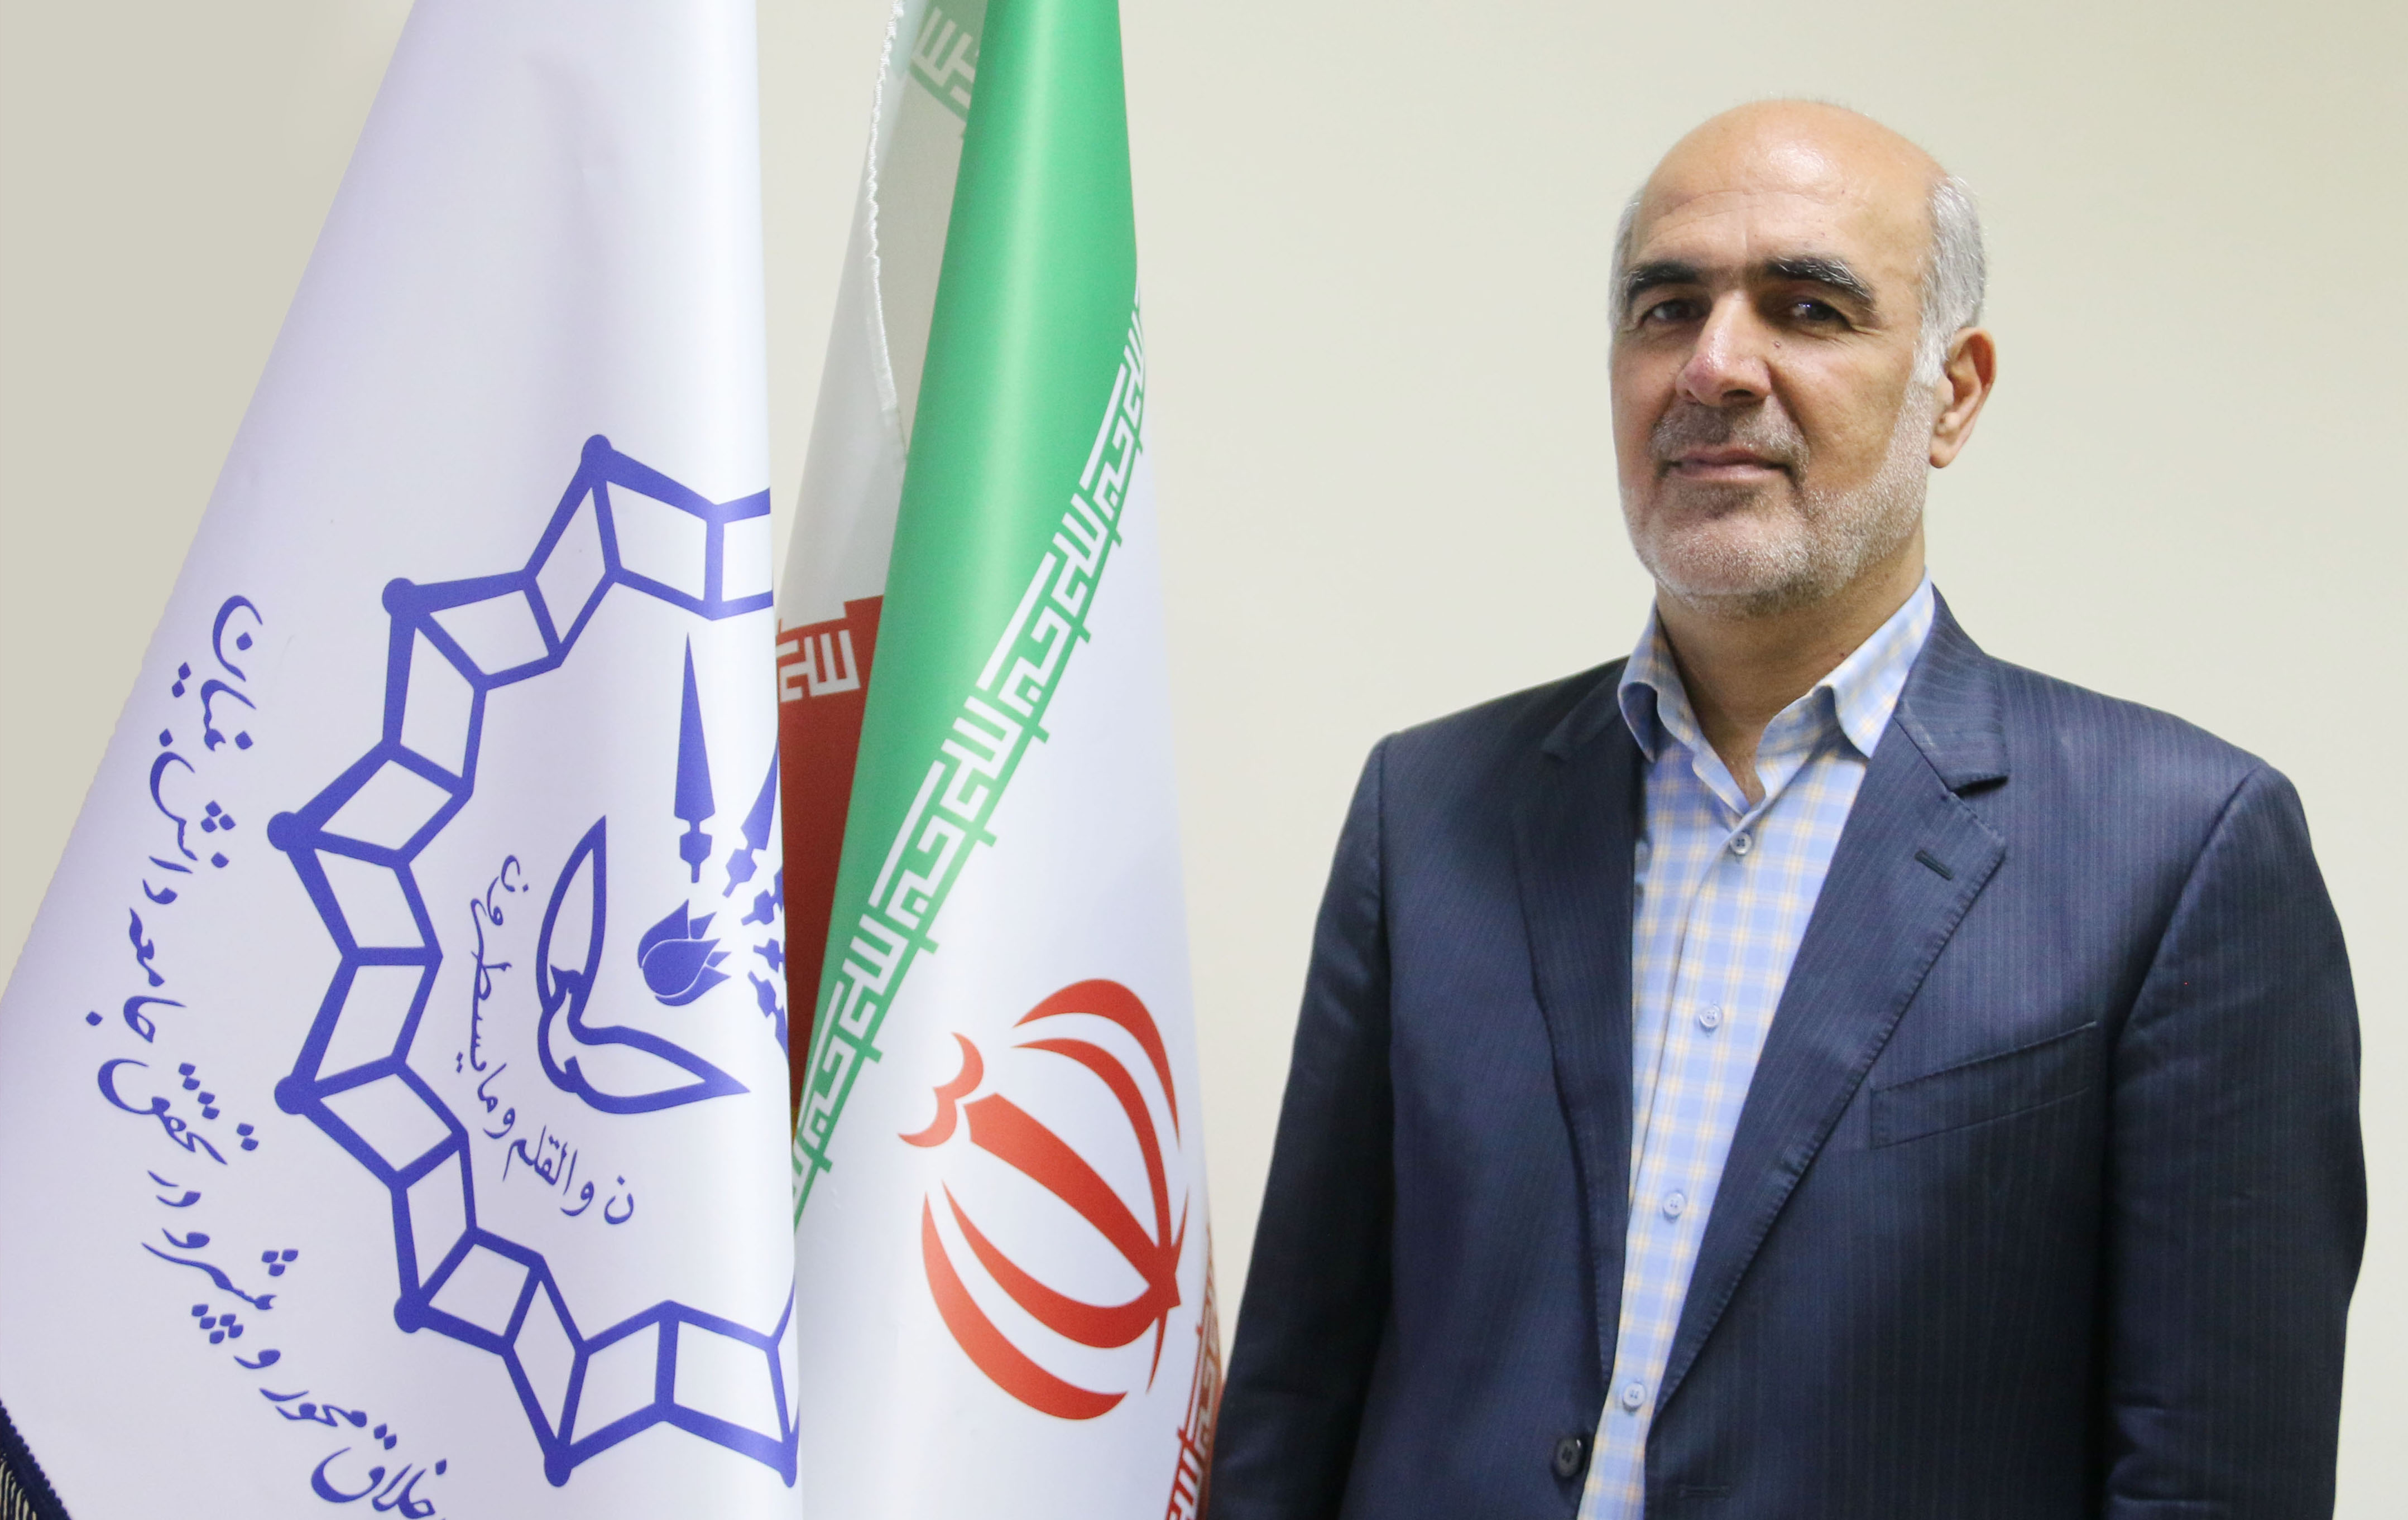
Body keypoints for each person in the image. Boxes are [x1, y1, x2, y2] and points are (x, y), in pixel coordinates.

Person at [1207, 101, 2363, 1519]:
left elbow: (2215, 1482)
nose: (1714, 365)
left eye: (1808, 308)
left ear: (1955, 393)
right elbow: (1294, 1400)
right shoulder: (1428, 809)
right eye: (1667, 308)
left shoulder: (2182, 853)